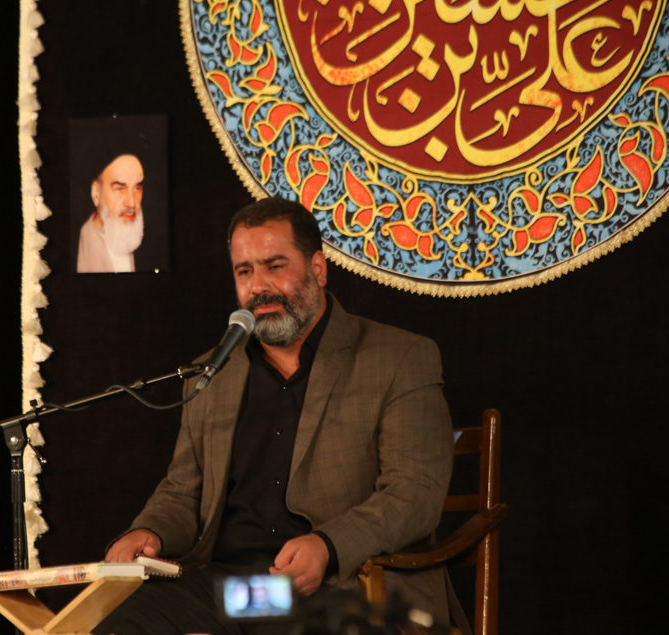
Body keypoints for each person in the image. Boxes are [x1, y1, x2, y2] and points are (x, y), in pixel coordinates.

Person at [95, 198, 454, 635]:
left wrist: (328, 546)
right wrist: (150, 531)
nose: (258, 287)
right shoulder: (211, 373)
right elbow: (182, 492)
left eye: (275, 266)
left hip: (342, 584)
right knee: (114, 620)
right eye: (244, 271)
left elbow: (415, 492)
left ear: (317, 269)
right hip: (234, 589)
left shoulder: (399, 357)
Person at [77, 153, 145, 273]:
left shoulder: (145, 246)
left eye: (137, 188)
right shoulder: (79, 249)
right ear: (96, 193)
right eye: (120, 189)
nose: (131, 203)